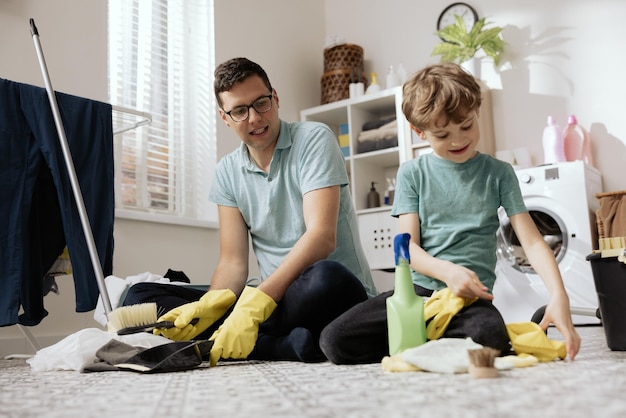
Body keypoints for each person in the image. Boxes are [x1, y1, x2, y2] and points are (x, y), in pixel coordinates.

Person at [319, 62, 581, 364]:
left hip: (471, 299)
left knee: (489, 337)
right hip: (418, 294)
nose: (458, 140)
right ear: (419, 131)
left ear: (477, 112)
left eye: (467, 126)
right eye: (442, 135)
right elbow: (407, 250)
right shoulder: (412, 174)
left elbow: (533, 243)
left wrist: (559, 296)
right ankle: (431, 340)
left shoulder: (499, 173)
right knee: (334, 341)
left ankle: (420, 342)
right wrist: (448, 271)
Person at [122, 57, 377, 365]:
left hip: (324, 294)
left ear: (276, 97)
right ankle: (280, 345)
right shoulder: (227, 171)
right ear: (225, 117)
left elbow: (322, 238)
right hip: (273, 302)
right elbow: (232, 262)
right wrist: (212, 307)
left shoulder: (314, 139)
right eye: (240, 111)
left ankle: (258, 340)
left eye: (262, 103)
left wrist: (255, 305)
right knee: (138, 296)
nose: (255, 117)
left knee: (326, 277)